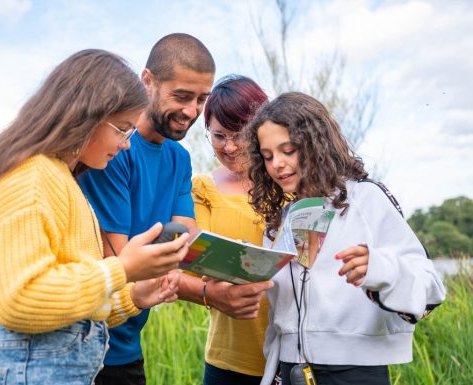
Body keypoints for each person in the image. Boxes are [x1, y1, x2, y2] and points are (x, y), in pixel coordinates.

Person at [0, 49, 190, 385]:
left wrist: (132, 296)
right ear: (86, 116)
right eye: (122, 129)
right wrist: (122, 268)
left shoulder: (62, 179)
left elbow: (70, 307)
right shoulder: (30, 177)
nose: (125, 145)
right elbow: (20, 299)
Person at [78, 34, 272, 385]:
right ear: (147, 81)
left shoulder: (179, 159)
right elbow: (124, 264)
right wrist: (210, 293)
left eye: (201, 99)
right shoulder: (113, 149)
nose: (192, 111)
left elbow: (185, 246)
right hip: (88, 343)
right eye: (181, 96)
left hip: (128, 343)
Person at [245, 92, 446, 385]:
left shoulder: (366, 198)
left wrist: (380, 269)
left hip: (354, 370)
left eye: (288, 150)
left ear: (316, 144)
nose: (277, 163)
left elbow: (432, 287)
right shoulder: (282, 219)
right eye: (267, 156)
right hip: (290, 370)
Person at [192, 74, 270, 385]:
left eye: (240, 134)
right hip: (229, 360)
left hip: (292, 355)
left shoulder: (292, 186)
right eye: (219, 136)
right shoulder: (202, 189)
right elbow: (193, 264)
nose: (231, 146)